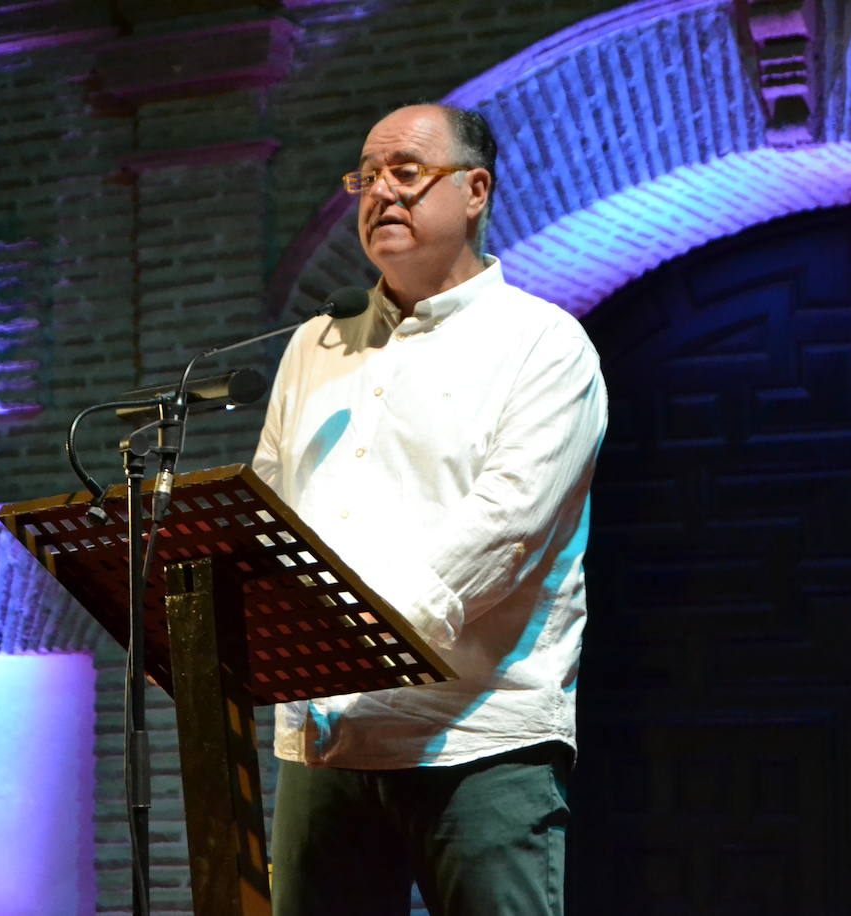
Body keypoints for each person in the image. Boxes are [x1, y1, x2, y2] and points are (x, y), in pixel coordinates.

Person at [251, 103, 608, 916]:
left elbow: (504, 530)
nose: (380, 193)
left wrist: (346, 642)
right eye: (365, 177)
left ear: (475, 190)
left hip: (479, 741)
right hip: (328, 746)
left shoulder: (544, 346)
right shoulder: (317, 345)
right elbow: (273, 505)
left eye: (406, 173)